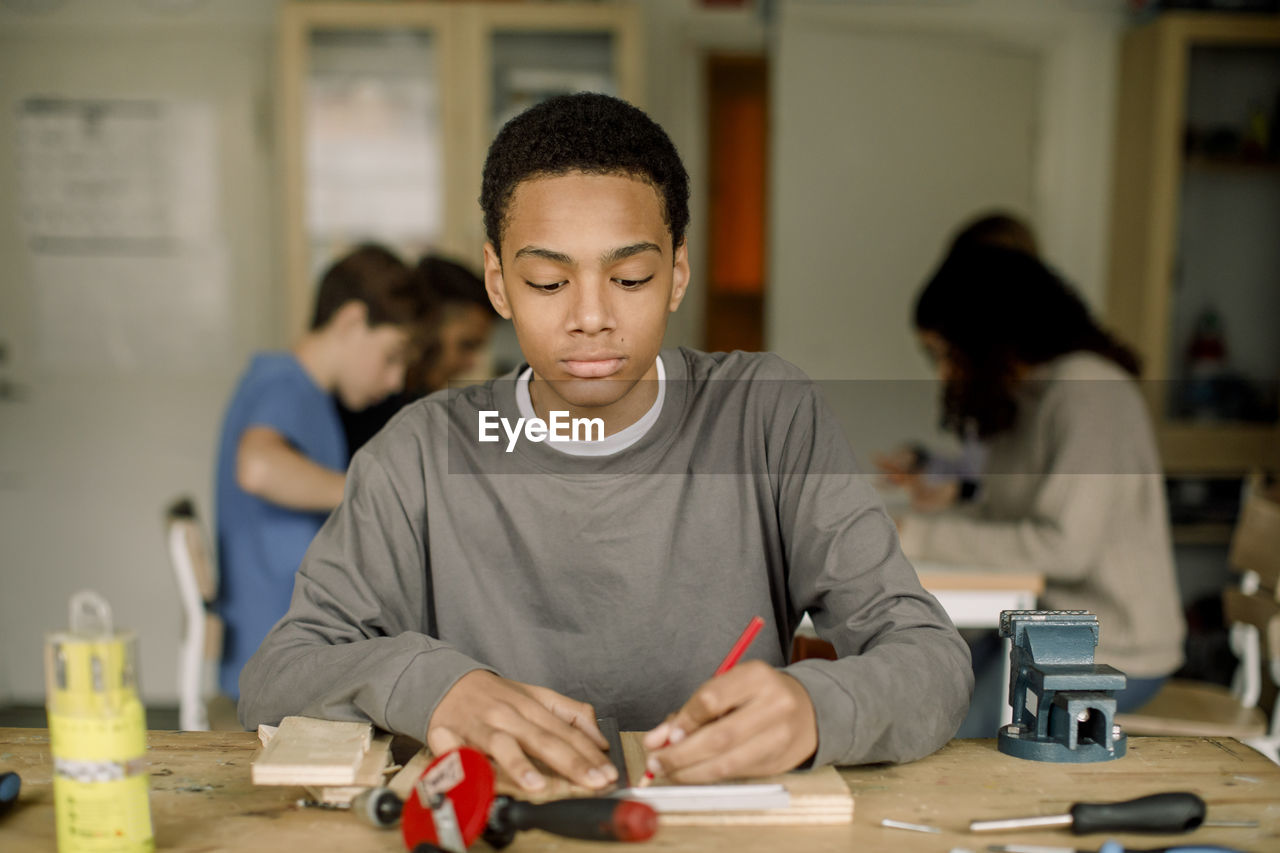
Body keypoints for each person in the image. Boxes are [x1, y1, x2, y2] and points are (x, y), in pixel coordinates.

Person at [240, 93, 971, 789]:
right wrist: (433, 686)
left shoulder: (765, 416)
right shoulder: (423, 453)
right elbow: (279, 671)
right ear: (498, 283)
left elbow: (932, 658)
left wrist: (818, 709)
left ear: (676, 271)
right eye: (548, 283)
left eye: (629, 276)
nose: (591, 316)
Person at [895, 244, 1185, 719]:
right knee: (922, 695)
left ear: (985, 335)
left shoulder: (1087, 392)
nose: (943, 372)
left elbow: (1063, 549)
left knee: (952, 732)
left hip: (1113, 648)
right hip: (1040, 631)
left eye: (945, 353)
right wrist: (908, 529)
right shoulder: (1024, 400)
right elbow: (1001, 518)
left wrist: (919, 535)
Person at [214, 243, 433, 699]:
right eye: (392, 356)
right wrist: (374, 492)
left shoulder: (303, 394)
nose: (395, 380)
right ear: (351, 321)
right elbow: (257, 466)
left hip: (283, 635)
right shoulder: (284, 383)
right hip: (277, 648)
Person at [874, 211, 1038, 511]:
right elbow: (977, 470)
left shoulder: (1041, 385)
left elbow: (1028, 500)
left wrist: (962, 491)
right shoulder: (985, 377)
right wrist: (921, 461)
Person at [339, 254, 499, 455]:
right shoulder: (362, 402)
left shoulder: (427, 410)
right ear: (428, 331)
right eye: (466, 345)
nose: (470, 364)